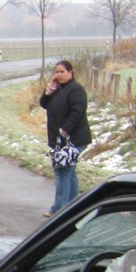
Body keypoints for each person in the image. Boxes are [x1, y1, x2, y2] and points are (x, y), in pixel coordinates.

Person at [39, 59, 92, 216]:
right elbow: (44, 104)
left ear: (71, 72)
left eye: (62, 72)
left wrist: (64, 130)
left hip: (74, 139)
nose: (59, 75)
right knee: (70, 170)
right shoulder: (57, 89)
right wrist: (47, 93)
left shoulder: (76, 90)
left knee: (63, 170)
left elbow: (78, 112)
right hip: (59, 140)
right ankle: (74, 206)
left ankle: (59, 210)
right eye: (57, 72)